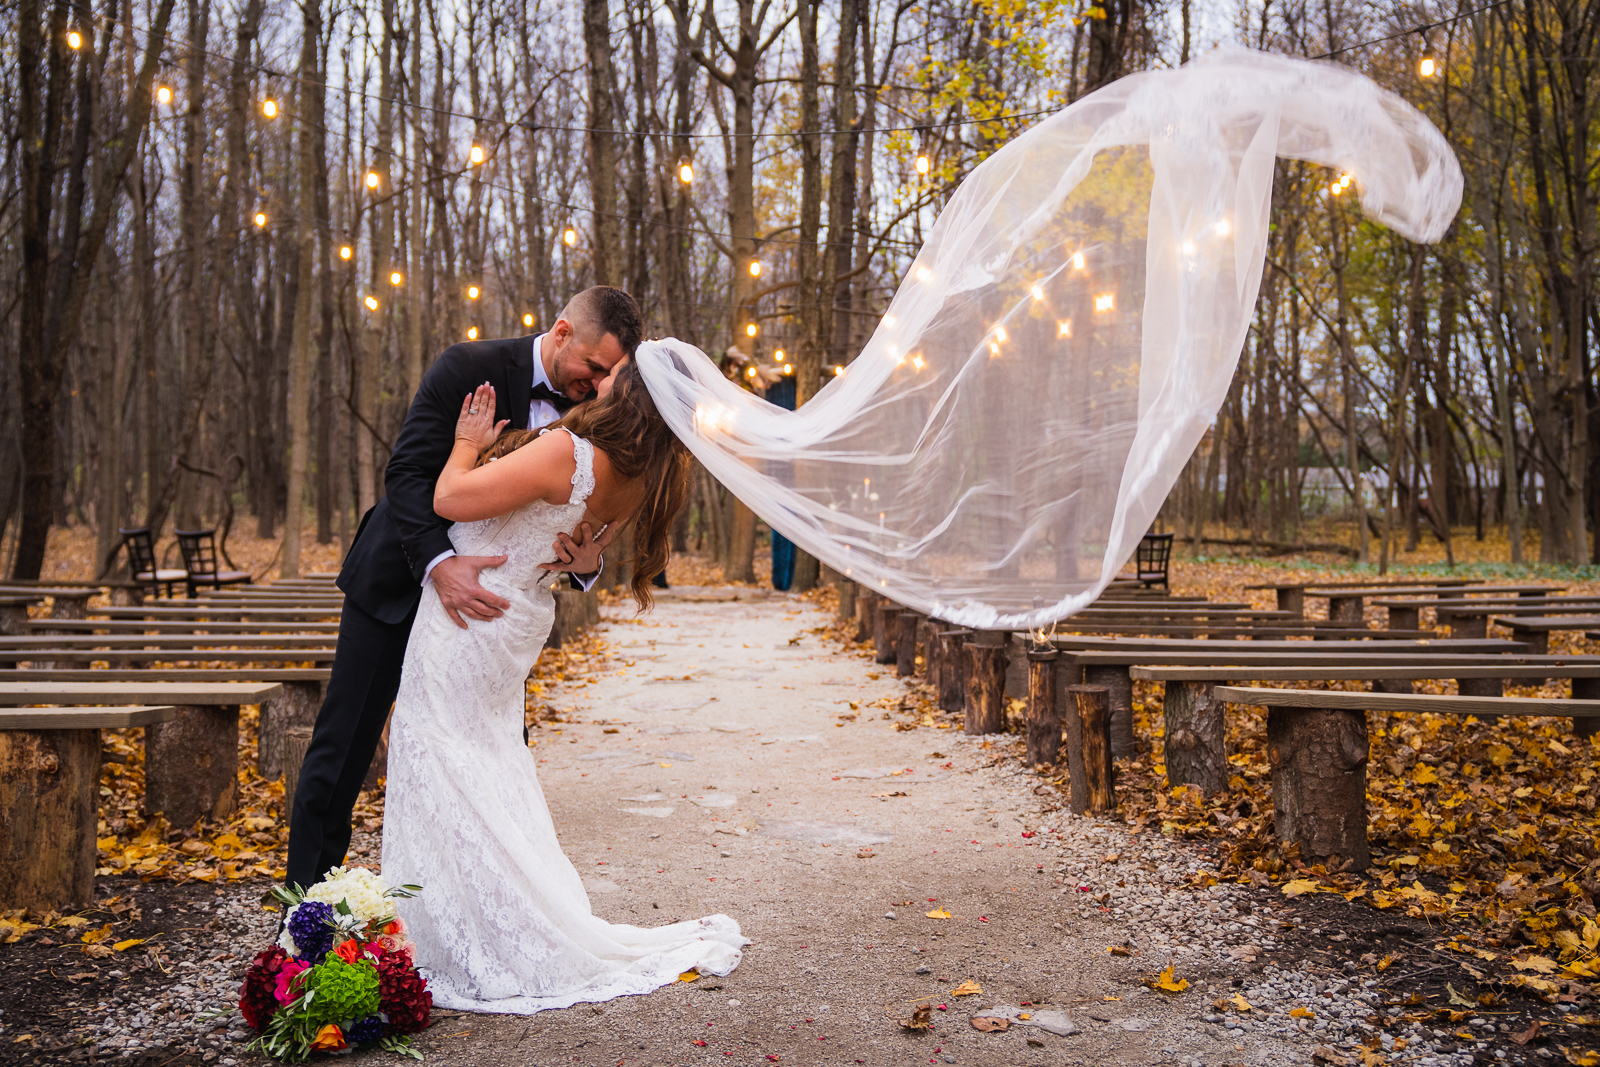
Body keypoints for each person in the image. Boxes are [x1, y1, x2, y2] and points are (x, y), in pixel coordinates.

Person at [381, 361, 745, 1012]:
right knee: (485, 767)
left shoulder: (568, 453)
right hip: (510, 623)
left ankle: (466, 932)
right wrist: (589, 560)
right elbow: (581, 553)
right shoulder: (633, 478)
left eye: (616, 375)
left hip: (465, 623)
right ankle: (469, 917)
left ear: (628, 396)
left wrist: (465, 443)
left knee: (440, 760)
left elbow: (448, 500)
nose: (602, 380)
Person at [286, 286, 640, 893]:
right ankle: (308, 916)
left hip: (484, 624)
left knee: (491, 761)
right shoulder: (467, 367)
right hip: (397, 584)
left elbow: (581, 516)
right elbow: (407, 474)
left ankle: (483, 914)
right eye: (594, 366)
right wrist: (439, 564)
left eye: (612, 374)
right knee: (343, 750)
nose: (599, 381)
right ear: (561, 333)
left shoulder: (599, 413)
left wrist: (583, 566)